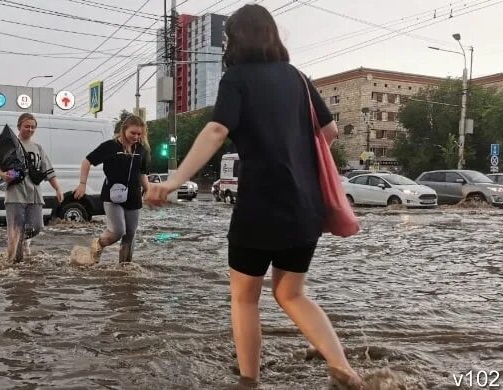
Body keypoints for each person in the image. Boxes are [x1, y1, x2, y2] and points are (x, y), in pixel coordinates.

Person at [145, 5, 366, 389]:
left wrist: (176, 179)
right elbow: (329, 132)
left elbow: (216, 131)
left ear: (237, 40)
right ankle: (344, 370)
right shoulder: (298, 78)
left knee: (245, 299)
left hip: (260, 206)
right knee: (291, 294)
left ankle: (249, 381)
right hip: (305, 207)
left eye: (229, 37)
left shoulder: (237, 78)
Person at [73, 114, 150, 263]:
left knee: (130, 233)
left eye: (139, 134)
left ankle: (125, 267)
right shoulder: (110, 146)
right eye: (132, 133)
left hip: (133, 196)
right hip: (112, 195)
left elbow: (142, 172)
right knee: (118, 231)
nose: (136, 136)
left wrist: (148, 189)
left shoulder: (141, 149)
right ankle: (99, 243)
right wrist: (82, 184)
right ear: (124, 130)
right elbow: (87, 161)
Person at [0, 113, 63, 263]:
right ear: (19, 126)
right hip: (15, 194)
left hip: (34, 194)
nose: (30, 129)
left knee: (36, 226)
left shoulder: (38, 148)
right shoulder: (10, 145)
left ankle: (18, 241)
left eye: (33, 127)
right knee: (15, 229)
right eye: (27, 126)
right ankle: (16, 266)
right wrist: (4, 175)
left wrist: (57, 189)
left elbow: (48, 171)